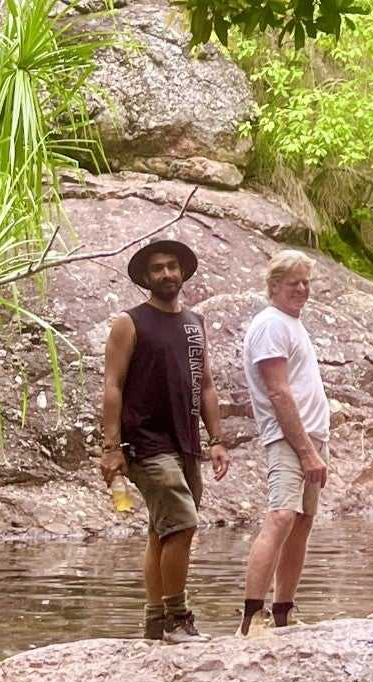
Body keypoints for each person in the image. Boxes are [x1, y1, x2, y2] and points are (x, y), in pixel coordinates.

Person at [100, 239, 229, 643]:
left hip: (186, 440)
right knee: (183, 523)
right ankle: (178, 617)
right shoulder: (130, 322)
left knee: (163, 529)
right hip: (145, 440)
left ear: (183, 272)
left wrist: (217, 439)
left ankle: (155, 620)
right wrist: (111, 446)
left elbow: (205, 384)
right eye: (158, 268)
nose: (166, 274)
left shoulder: (195, 323)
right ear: (146, 278)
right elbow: (112, 385)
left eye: (172, 266)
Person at [238, 251, 333, 637]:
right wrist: (306, 451)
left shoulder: (293, 324)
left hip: (312, 437)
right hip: (288, 439)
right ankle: (251, 617)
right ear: (273, 285)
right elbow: (278, 393)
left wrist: (316, 444)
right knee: (280, 517)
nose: (301, 289)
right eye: (293, 282)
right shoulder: (270, 324)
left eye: (306, 282)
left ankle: (283, 611)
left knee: (302, 523)